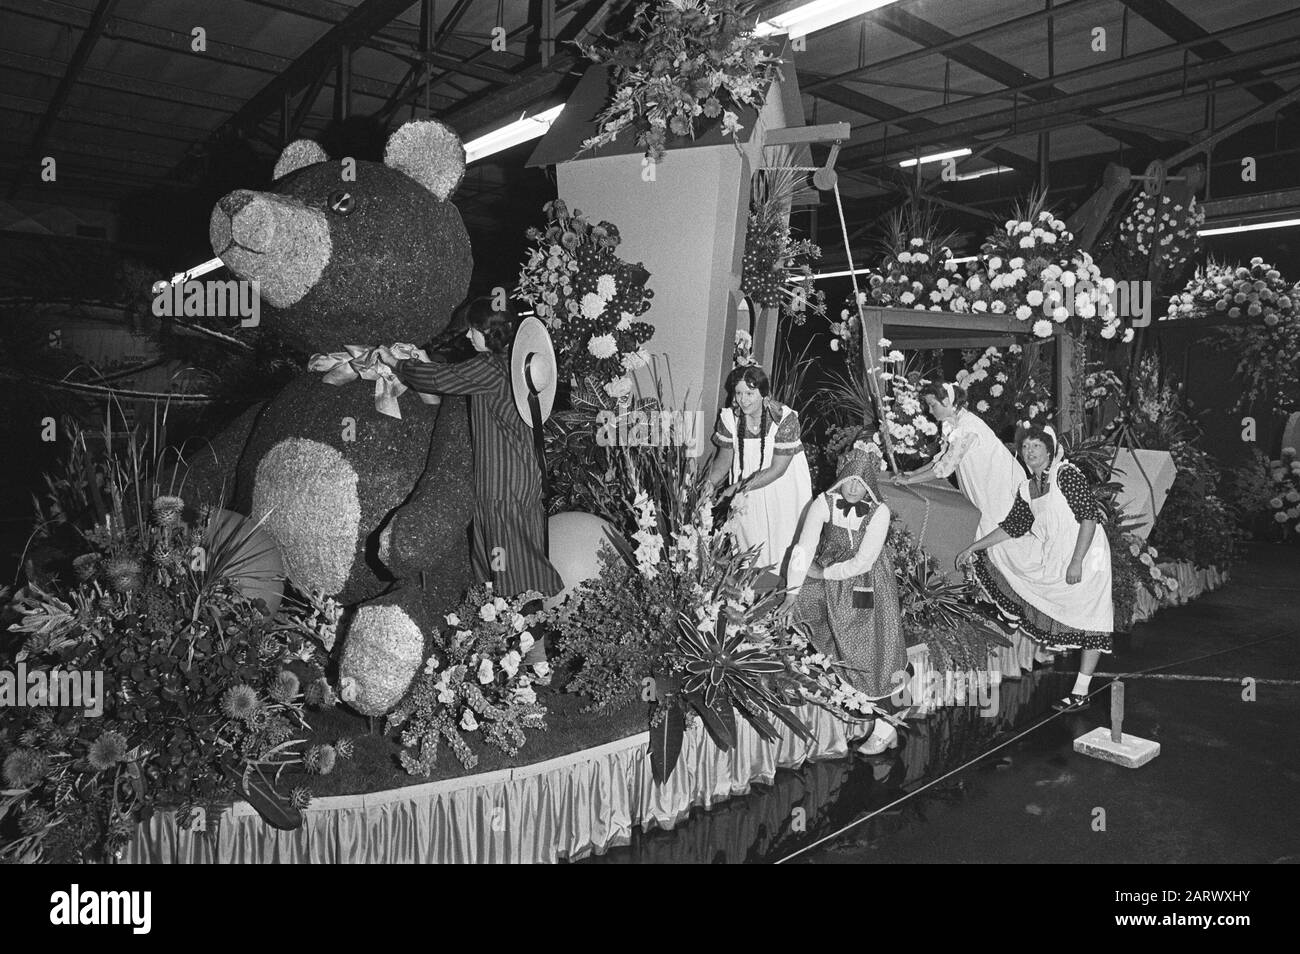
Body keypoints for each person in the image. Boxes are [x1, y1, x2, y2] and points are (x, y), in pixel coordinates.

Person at [383, 296, 563, 602]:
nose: (467, 335)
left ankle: (526, 637)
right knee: (516, 555)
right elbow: (457, 379)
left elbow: (440, 379)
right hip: (521, 478)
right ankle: (515, 630)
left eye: (474, 329)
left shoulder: (489, 368)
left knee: (511, 569)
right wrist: (423, 359)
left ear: (490, 333)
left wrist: (397, 363)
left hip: (503, 483)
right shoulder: (513, 364)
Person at [955, 424, 1113, 712]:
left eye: (1036, 446)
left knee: (1093, 617)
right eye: (1025, 448)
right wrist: (973, 548)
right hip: (1056, 553)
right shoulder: (1027, 488)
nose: (1030, 453)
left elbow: (1089, 518)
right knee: (1001, 549)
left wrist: (1077, 560)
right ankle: (1080, 691)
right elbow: (1012, 527)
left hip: (1089, 551)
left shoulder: (1065, 475)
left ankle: (1081, 691)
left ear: (1050, 450)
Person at [780, 436, 906, 754]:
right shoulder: (824, 502)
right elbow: (804, 548)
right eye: (849, 481)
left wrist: (823, 573)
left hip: (867, 586)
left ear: (869, 485)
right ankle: (855, 707)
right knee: (809, 609)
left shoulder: (879, 513)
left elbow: (863, 561)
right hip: (831, 579)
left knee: (869, 648)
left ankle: (886, 723)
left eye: (860, 483)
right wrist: (791, 593)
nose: (853, 489)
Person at [704, 365, 813, 573]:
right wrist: (709, 484)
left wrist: (736, 488)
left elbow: (777, 470)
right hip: (747, 492)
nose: (744, 399)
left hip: (782, 488)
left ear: (764, 394)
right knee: (750, 541)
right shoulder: (730, 419)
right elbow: (724, 460)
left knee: (782, 543)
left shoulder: (784, 419)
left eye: (750, 393)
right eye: (739, 393)